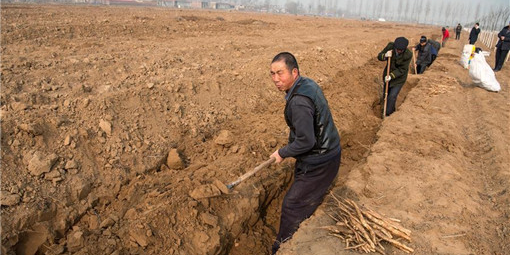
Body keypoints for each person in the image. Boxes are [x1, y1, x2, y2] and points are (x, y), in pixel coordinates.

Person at [269, 52, 341, 254]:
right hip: (326, 152)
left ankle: (282, 247)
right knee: (302, 195)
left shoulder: (299, 101)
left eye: (280, 73)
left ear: (294, 72)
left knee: (292, 204)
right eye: (272, 74)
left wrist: (282, 152)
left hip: (320, 160)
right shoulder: (306, 84)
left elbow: (306, 141)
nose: (276, 79)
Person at [377, 37, 412, 116]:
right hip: (387, 75)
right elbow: (379, 56)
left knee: (392, 96)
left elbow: (402, 69)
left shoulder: (408, 54)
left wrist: (391, 76)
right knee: (386, 94)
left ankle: (388, 115)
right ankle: (388, 110)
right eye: (397, 49)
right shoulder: (390, 46)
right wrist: (385, 55)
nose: (398, 51)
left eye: (401, 50)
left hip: (399, 79)